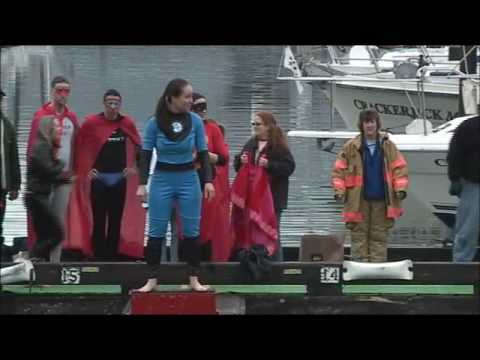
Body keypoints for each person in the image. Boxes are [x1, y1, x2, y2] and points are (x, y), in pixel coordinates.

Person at [135, 79, 215, 292]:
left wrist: (207, 181)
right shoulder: (154, 123)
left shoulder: (195, 121)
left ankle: (193, 278)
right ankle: (151, 279)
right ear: (172, 98)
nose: (191, 100)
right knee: (156, 231)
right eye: (186, 97)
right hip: (162, 179)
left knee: (191, 231)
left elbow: (204, 154)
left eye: (191, 97)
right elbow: (144, 156)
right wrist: (142, 184)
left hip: (188, 178)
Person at [68, 89, 145, 260]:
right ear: (104, 104)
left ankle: (112, 256)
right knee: (99, 220)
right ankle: (98, 255)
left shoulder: (126, 123)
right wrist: (86, 169)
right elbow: (80, 147)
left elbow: (140, 147)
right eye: (109, 103)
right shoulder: (92, 123)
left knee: (116, 220)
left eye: (116, 103)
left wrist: (134, 167)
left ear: (120, 105)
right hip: (99, 178)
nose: (112, 106)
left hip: (119, 178)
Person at [331, 109, 409, 262]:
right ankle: (359, 267)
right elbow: (338, 171)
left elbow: (400, 168)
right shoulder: (350, 147)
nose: (369, 126)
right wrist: (339, 191)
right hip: (358, 200)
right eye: (366, 122)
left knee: (379, 235)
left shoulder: (388, 146)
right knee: (358, 235)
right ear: (361, 125)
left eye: (372, 122)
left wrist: (400, 189)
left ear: (377, 124)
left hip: (382, 199)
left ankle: (377, 268)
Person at [26, 76, 79, 262]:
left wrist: (75, 171)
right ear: (52, 92)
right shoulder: (41, 116)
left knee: (58, 222)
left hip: (64, 177)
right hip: (44, 179)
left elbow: (78, 145)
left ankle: (54, 267)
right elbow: (33, 149)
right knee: (43, 224)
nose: (63, 95)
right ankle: (37, 262)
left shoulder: (71, 118)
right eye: (59, 91)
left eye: (66, 91)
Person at [233, 112, 295, 261]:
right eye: (253, 124)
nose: (255, 127)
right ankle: (257, 263)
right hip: (253, 198)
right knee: (253, 231)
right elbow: (237, 166)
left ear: (268, 127)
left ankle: (277, 265)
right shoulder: (251, 143)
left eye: (258, 124)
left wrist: (269, 165)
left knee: (273, 232)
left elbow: (289, 167)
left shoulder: (278, 146)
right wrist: (240, 161)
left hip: (273, 198)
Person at [24, 116, 75, 261]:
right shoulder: (42, 146)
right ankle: (31, 258)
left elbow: (48, 176)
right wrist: (60, 163)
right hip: (36, 197)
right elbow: (48, 170)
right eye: (56, 127)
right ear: (48, 129)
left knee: (45, 236)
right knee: (56, 234)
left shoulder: (46, 146)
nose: (59, 130)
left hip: (38, 196)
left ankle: (39, 268)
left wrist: (65, 179)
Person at [190, 92, 231, 261]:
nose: (203, 112)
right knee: (186, 226)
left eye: (205, 107)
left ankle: (205, 266)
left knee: (206, 224)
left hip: (205, 180)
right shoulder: (180, 127)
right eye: (199, 108)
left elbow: (224, 158)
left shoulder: (212, 129)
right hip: (185, 181)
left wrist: (206, 156)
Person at [447, 114, 480, 262]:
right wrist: (454, 178)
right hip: (472, 184)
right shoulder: (468, 126)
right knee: (467, 229)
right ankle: (460, 266)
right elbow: (454, 153)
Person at [0, 89, 21, 251]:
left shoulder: (7, 126)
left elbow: (14, 158)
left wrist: (15, 185)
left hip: (2, 186)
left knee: (0, 221)